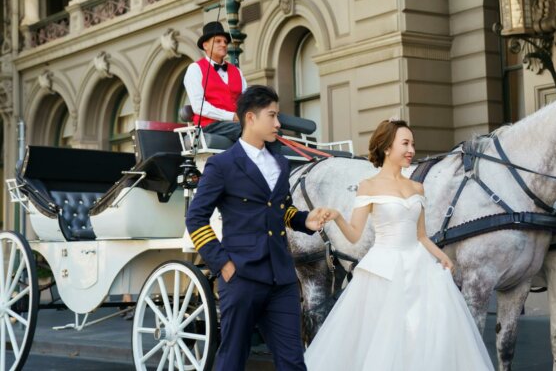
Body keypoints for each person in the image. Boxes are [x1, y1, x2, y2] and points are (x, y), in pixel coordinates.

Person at [304, 119, 494, 371]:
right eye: (405, 143)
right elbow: (354, 235)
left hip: (421, 269)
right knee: (385, 340)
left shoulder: (417, 186)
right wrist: (337, 216)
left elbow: (422, 235)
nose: (411, 150)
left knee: (423, 338)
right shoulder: (368, 186)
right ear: (386, 148)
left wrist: (442, 257)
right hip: (384, 271)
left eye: (413, 144)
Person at [185, 85, 329, 371]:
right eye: (272, 115)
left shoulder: (280, 162)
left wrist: (305, 220)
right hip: (241, 276)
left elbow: (280, 209)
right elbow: (196, 217)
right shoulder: (221, 164)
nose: (278, 124)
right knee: (232, 358)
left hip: (282, 278)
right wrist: (223, 264)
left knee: (293, 361)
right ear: (250, 118)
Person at [183, 20, 246, 142]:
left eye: (225, 42)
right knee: (248, 130)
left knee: (268, 131)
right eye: (218, 41)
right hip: (209, 126)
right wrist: (231, 116)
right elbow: (198, 107)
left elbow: (246, 99)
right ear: (205, 45)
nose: (223, 44)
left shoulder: (237, 72)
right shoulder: (195, 69)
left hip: (234, 124)